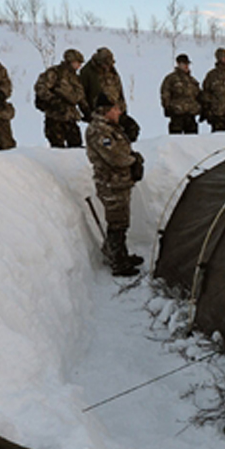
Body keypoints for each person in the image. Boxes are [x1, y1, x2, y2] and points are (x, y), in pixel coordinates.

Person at [85, 94, 144, 277]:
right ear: (105, 111)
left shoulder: (110, 127)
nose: (119, 111)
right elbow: (115, 157)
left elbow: (122, 150)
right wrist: (133, 161)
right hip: (111, 184)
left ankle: (119, 254)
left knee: (121, 221)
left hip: (119, 182)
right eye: (115, 109)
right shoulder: (99, 131)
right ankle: (118, 263)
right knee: (117, 223)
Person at [80, 47, 139, 142]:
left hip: (115, 109)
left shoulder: (112, 70)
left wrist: (122, 109)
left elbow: (119, 89)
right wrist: (87, 112)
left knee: (131, 128)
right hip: (99, 111)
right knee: (105, 137)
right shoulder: (87, 72)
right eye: (105, 64)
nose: (107, 66)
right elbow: (81, 94)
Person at [34, 49, 87, 148]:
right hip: (55, 117)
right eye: (77, 63)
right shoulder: (55, 73)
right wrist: (53, 101)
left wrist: (86, 111)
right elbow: (41, 88)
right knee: (57, 150)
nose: (79, 66)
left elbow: (80, 97)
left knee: (76, 147)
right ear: (70, 61)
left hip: (70, 118)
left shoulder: (75, 78)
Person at [160, 53, 202, 135]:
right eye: (184, 64)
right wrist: (168, 107)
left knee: (192, 141)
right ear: (178, 64)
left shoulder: (192, 80)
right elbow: (165, 94)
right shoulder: (171, 79)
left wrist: (199, 108)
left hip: (191, 115)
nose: (186, 66)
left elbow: (199, 95)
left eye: (187, 64)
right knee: (176, 141)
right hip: (177, 115)